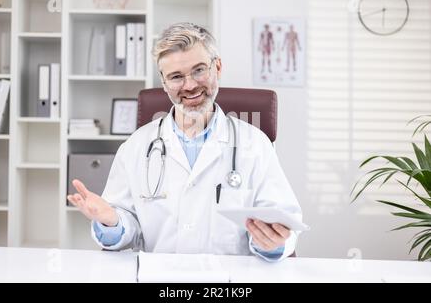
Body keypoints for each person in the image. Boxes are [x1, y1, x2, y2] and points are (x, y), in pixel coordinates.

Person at [67, 22, 303, 261]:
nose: (189, 85)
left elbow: (281, 221)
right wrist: (111, 222)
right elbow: (126, 226)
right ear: (164, 82)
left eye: (199, 70)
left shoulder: (255, 144)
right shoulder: (137, 146)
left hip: (229, 282)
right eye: (176, 76)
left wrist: (270, 242)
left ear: (217, 68)